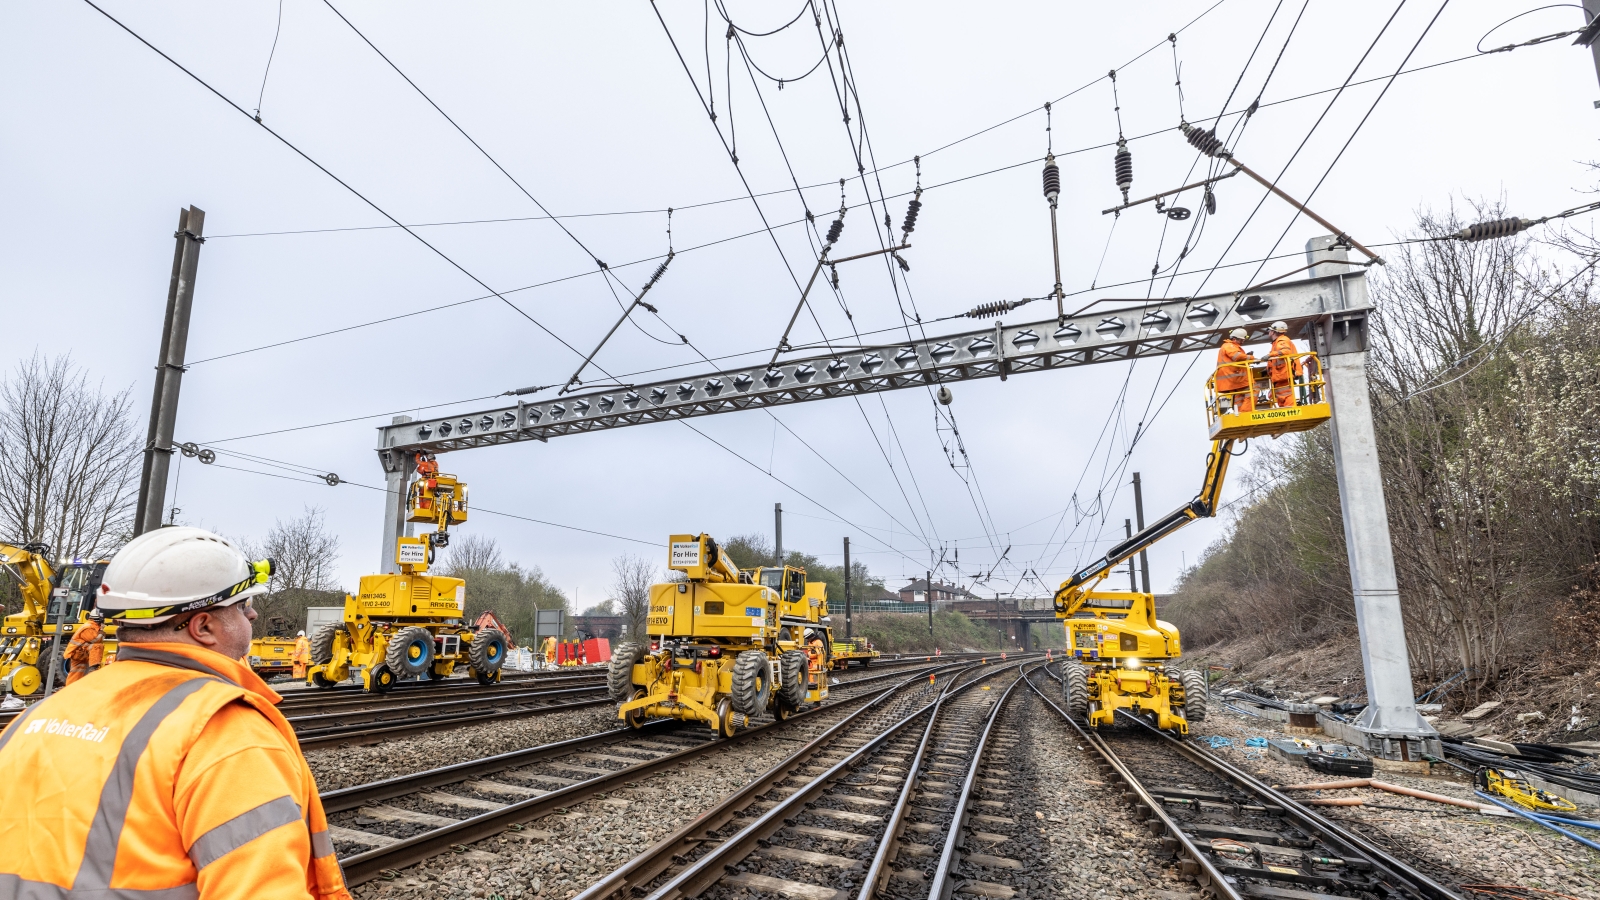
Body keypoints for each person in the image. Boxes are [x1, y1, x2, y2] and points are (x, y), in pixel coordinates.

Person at [0, 526, 351, 900]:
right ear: (203, 626)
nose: (252, 614)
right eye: (241, 605)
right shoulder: (222, 731)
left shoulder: (37, 715)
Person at [1215, 327, 1256, 413]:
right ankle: (1245, 413)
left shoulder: (1229, 346)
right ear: (1234, 339)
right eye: (1241, 340)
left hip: (1233, 378)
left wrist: (1246, 357)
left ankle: (1240, 412)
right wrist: (1252, 358)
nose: (1242, 342)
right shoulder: (1229, 346)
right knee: (1254, 389)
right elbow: (1237, 356)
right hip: (1234, 377)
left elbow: (1235, 359)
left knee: (1239, 395)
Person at [1266, 320, 1304, 408]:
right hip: (1281, 374)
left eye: (1270, 330)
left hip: (1284, 374)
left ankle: (1290, 411)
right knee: (1282, 396)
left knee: (1286, 395)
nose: (1269, 332)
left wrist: (1269, 355)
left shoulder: (1281, 340)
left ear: (1273, 332)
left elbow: (1285, 351)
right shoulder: (1277, 342)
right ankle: (1286, 409)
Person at [62, 608, 105, 685]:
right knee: (97, 646)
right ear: (98, 619)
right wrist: (101, 631)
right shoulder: (88, 627)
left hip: (81, 653)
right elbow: (95, 640)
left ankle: (72, 688)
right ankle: (93, 667)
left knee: (78, 673)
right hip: (78, 652)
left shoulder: (92, 626)